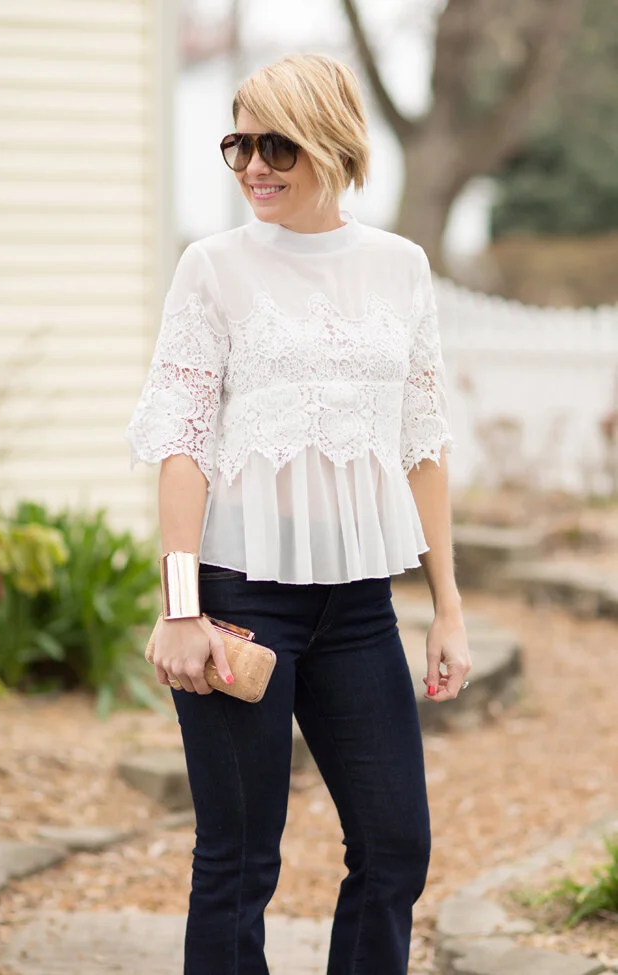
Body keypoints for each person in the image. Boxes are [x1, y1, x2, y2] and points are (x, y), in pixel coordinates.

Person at [126, 52, 471, 975]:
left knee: (396, 847)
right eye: (238, 145)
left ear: (331, 141)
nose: (252, 166)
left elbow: (423, 444)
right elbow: (182, 444)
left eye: (276, 145)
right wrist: (182, 607)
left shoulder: (401, 268)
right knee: (239, 861)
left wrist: (447, 605)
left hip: (359, 609)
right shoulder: (213, 268)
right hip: (240, 603)